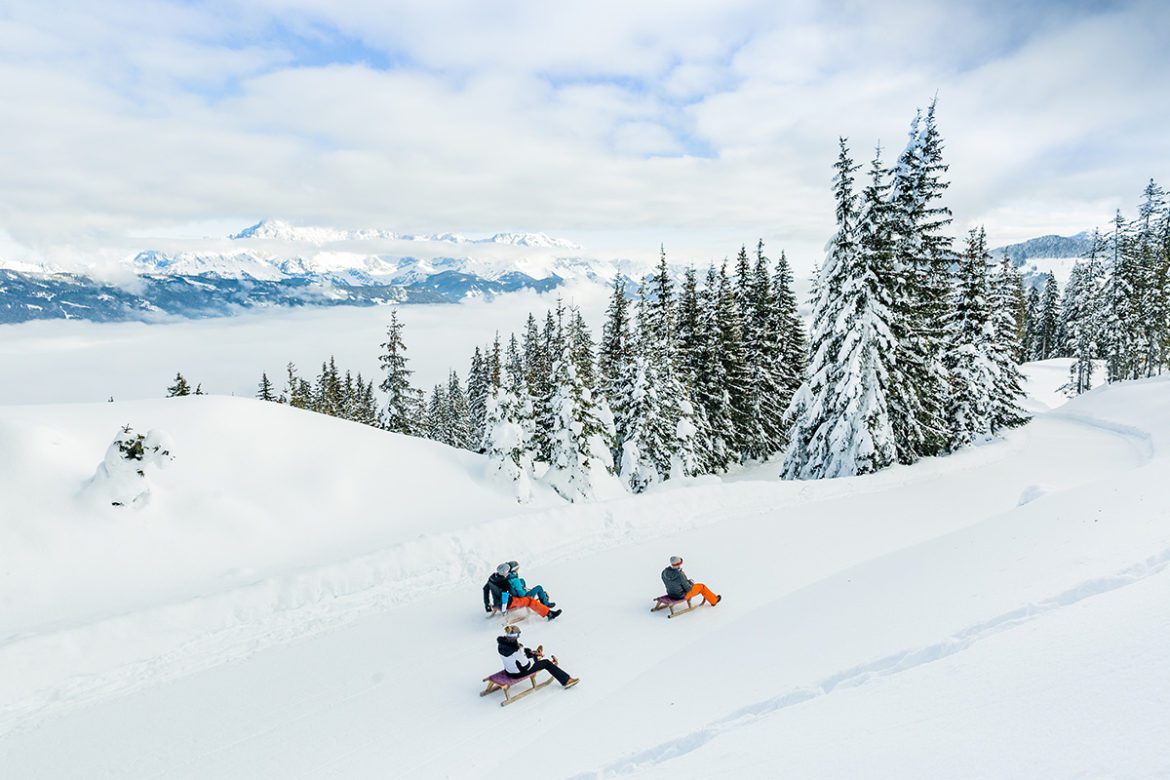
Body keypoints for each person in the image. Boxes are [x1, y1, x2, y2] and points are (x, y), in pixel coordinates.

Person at [497, 624, 578, 688]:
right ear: (516, 636)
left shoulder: (501, 645)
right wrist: (535, 658)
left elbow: (515, 656)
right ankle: (566, 681)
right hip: (518, 674)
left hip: (509, 671)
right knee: (546, 663)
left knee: (525, 650)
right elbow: (526, 666)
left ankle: (534, 653)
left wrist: (529, 652)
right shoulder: (517, 650)